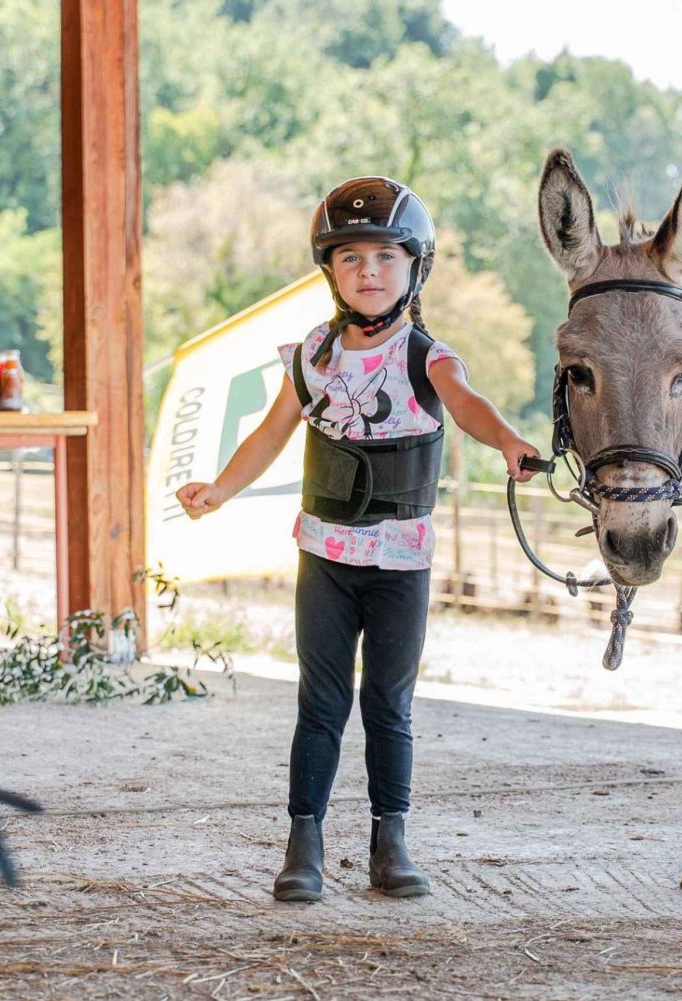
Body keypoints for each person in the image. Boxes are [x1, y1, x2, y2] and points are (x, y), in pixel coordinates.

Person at [175, 176, 539, 902]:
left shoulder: (425, 356)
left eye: (384, 257)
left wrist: (507, 439)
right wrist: (219, 487)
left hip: (400, 563)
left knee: (389, 705)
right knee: (321, 701)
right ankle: (302, 841)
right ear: (330, 272)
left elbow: (466, 404)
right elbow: (272, 432)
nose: (368, 271)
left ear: (415, 267)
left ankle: (389, 840)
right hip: (326, 559)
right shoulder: (313, 355)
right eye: (350, 259)